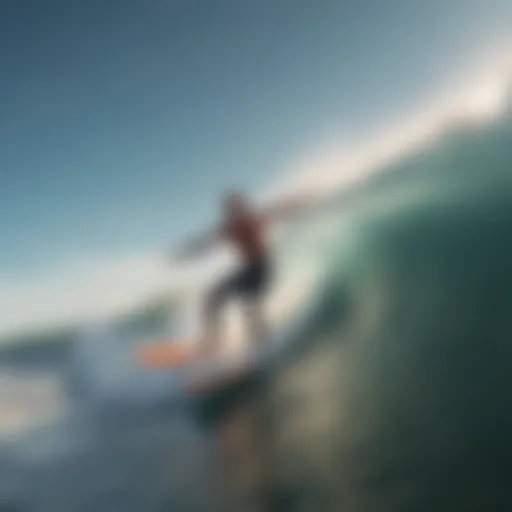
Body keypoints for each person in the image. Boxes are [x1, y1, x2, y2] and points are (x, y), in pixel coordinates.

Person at [172, 190, 313, 358]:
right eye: (230, 212)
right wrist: (187, 252)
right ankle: (213, 343)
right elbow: (205, 242)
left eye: (237, 210)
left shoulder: (255, 219)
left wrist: (300, 201)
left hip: (263, 269)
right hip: (246, 271)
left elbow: (280, 210)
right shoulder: (229, 229)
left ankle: (265, 345)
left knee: (250, 306)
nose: (233, 215)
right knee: (212, 297)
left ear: (243, 208)